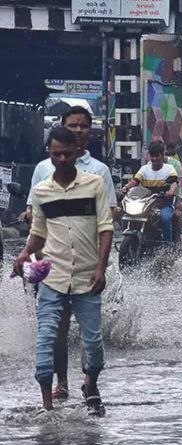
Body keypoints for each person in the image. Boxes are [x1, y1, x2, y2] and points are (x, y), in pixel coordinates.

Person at [18, 105, 117, 401]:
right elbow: (37, 221)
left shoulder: (98, 175)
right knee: (53, 334)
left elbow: (107, 220)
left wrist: (101, 264)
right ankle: (58, 387)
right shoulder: (42, 175)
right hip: (52, 269)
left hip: (89, 266)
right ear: (50, 149)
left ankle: (91, 381)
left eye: (83, 126)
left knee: (92, 339)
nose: (78, 130)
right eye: (72, 125)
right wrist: (25, 255)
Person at [121, 141, 178, 245]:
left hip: (163, 204)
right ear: (149, 156)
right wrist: (125, 188)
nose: (154, 159)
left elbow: (174, 183)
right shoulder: (144, 169)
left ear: (162, 155)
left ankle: (168, 246)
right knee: (127, 216)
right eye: (152, 156)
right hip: (146, 204)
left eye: (157, 156)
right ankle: (126, 241)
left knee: (165, 218)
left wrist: (170, 191)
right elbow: (135, 181)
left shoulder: (169, 169)